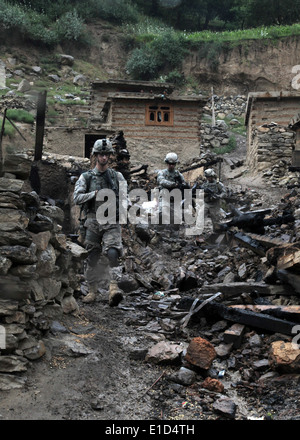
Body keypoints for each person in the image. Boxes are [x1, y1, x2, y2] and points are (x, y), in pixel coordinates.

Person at [73, 139, 126, 306]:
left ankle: (113, 289)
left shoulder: (117, 176)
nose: (103, 157)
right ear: (95, 156)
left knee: (112, 253)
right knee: (92, 257)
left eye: (106, 154)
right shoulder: (86, 177)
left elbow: (125, 197)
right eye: (100, 154)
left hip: (111, 220)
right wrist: (93, 194)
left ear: (109, 156)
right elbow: (77, 197)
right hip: (93, 220)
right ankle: (92, 290)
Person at [156, 152, 188, 229]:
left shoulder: (178, 174)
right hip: (164, 197)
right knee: (161, 214)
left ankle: (174, 236)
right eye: (170, 164)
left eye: (173, 164)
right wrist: (174, 184)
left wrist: (183, 186)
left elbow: (184, 184)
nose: (171, 166)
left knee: (176, 220)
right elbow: (161, 181)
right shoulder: (162, 173)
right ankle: (158, 233)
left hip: (175, 199)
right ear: (167, 163)